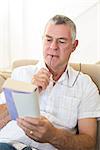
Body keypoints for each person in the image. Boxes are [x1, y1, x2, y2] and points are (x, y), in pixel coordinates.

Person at [0, 14, 100, 150]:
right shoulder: (21, 73)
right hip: (6, 145)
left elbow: (89, 144)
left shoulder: (85, 85)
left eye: (62, 41)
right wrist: (27, 91)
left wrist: (53, 135)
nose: (53, 47)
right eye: (48, 40)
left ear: (74, 45)